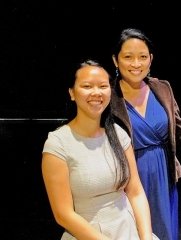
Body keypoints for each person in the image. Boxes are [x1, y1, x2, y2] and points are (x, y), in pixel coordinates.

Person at [110, 28, 181, 240]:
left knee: (165, 232)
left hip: (164, 178)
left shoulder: (162, 88)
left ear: (151, 60)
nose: (136, 64)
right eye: (128, 57)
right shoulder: (108, 97)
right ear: (115, 61)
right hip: (129, 181)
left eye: (142, 57)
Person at [41, 59, 157, 240]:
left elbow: (135, 192)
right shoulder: (58, 143)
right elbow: (63, 214)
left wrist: (146, 237)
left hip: (128, 229)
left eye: (103, 86)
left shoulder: (119, 134)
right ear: (72, 93)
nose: (96, 93)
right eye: (87, 86)